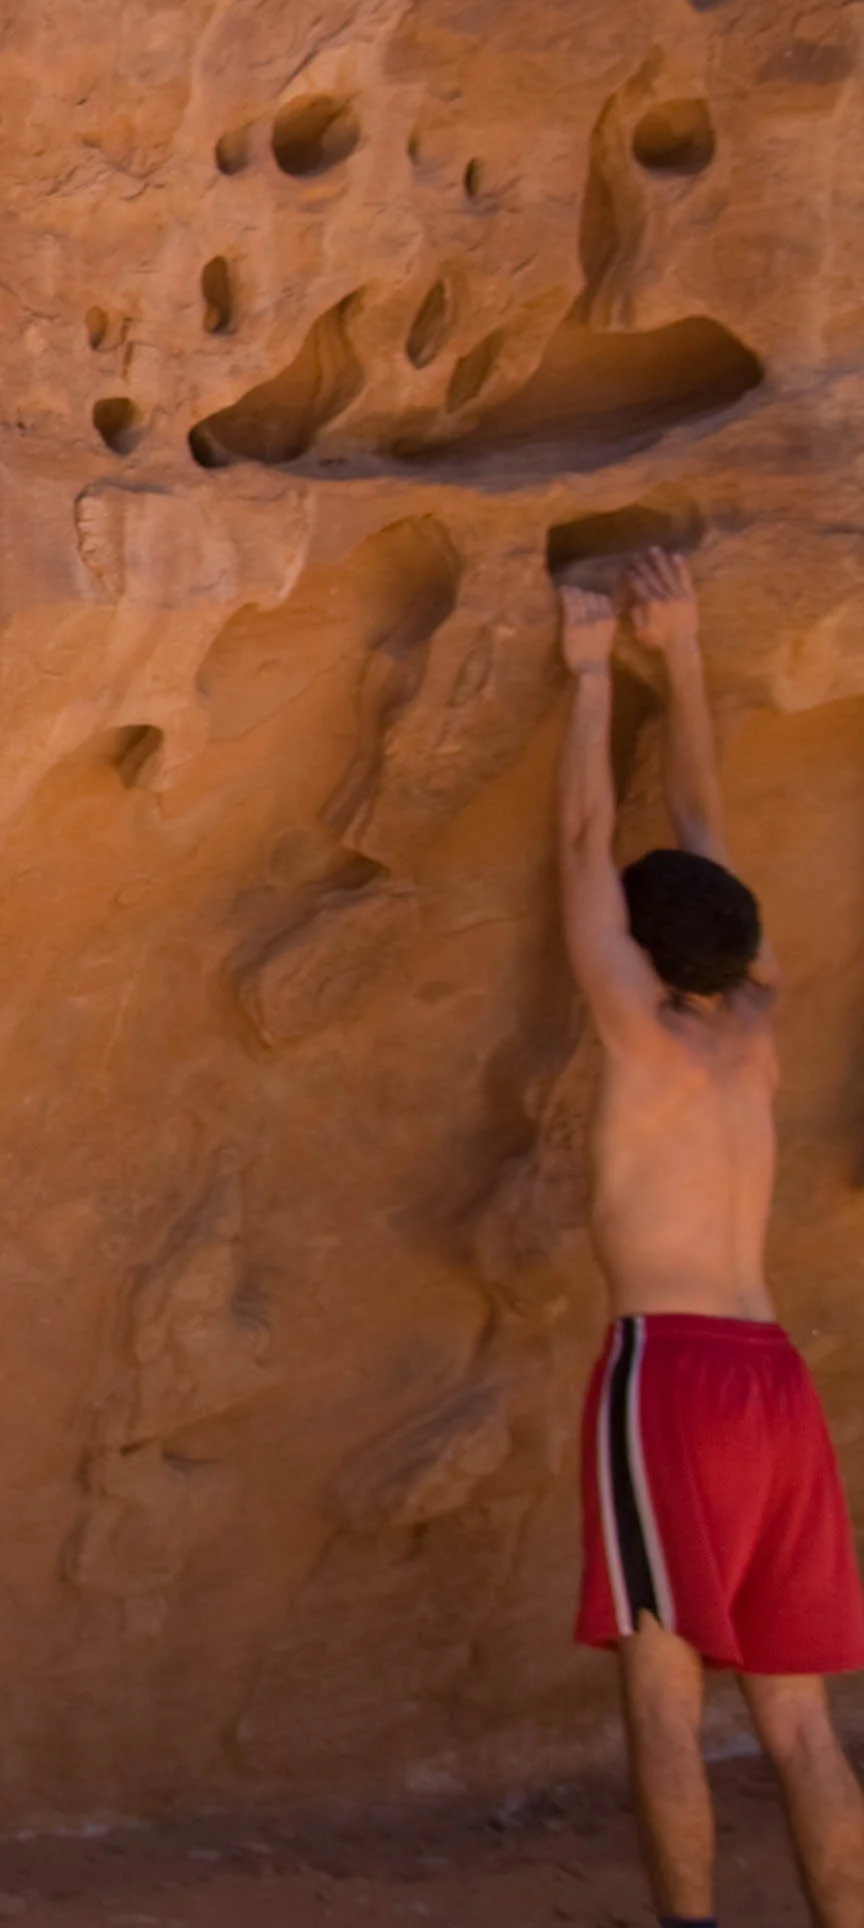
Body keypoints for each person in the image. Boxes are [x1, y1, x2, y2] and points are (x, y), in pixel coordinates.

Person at [554, 550, 864, 1928]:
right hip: (775, 1380)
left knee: (663, 1697)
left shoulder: (635, 1020)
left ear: (641, 942)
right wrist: (677, 651)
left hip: (668, 1374)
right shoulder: (758, 1013)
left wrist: (579, 679)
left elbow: (582, 847)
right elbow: (705, 820)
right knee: (799, 1724)